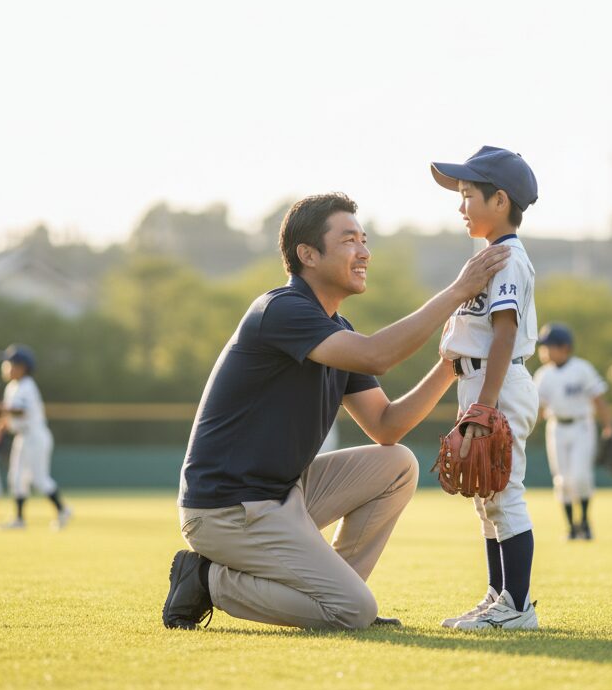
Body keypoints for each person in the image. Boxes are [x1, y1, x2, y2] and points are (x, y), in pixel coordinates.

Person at [163, 192, 511, 631]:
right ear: (307, 254)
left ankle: (337, 594)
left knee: (397, 464)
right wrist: (460, 289)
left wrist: (449, 364)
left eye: (364, 240)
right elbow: (376, 356)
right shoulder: (281, 310)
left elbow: (386, 426)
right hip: (228, 509)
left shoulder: (336, 330)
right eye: (349, 240)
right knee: (355, 612)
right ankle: (205, 580)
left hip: (280, 496)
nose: (364, 251)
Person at [429, 145, 543, 631]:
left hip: (497, 382)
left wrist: (484, 407)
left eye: (468, 194)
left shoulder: (508, 258)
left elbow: (504, 332)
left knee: (504, 494)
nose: (460, 206)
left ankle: (518, 607)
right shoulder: (490, 256)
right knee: (487, 496)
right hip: (480, 382)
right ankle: (499, 596)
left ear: (500, 201)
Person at [533, 323, 612, 541]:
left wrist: (610, 427)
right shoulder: (542, 376)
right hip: (556, 428)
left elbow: (598, 400)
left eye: (549, 346)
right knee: (562, 480)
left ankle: (585, 523)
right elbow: (538, 410)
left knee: (580, 477)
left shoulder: (582, 369)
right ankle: (571, 527)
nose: (544, 351)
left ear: (565, 347)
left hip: (582, 426)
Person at [0, 345, 73, 530]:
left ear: (22, 367)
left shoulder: (27, 386)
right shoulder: (12, 387)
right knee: (16, 478)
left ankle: (62, 510)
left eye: (9, 363)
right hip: (22, 437)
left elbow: (19, 410)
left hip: (35, 436)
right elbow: (8, 415)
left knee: (39, 479)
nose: (5, 366)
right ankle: (19, 519)